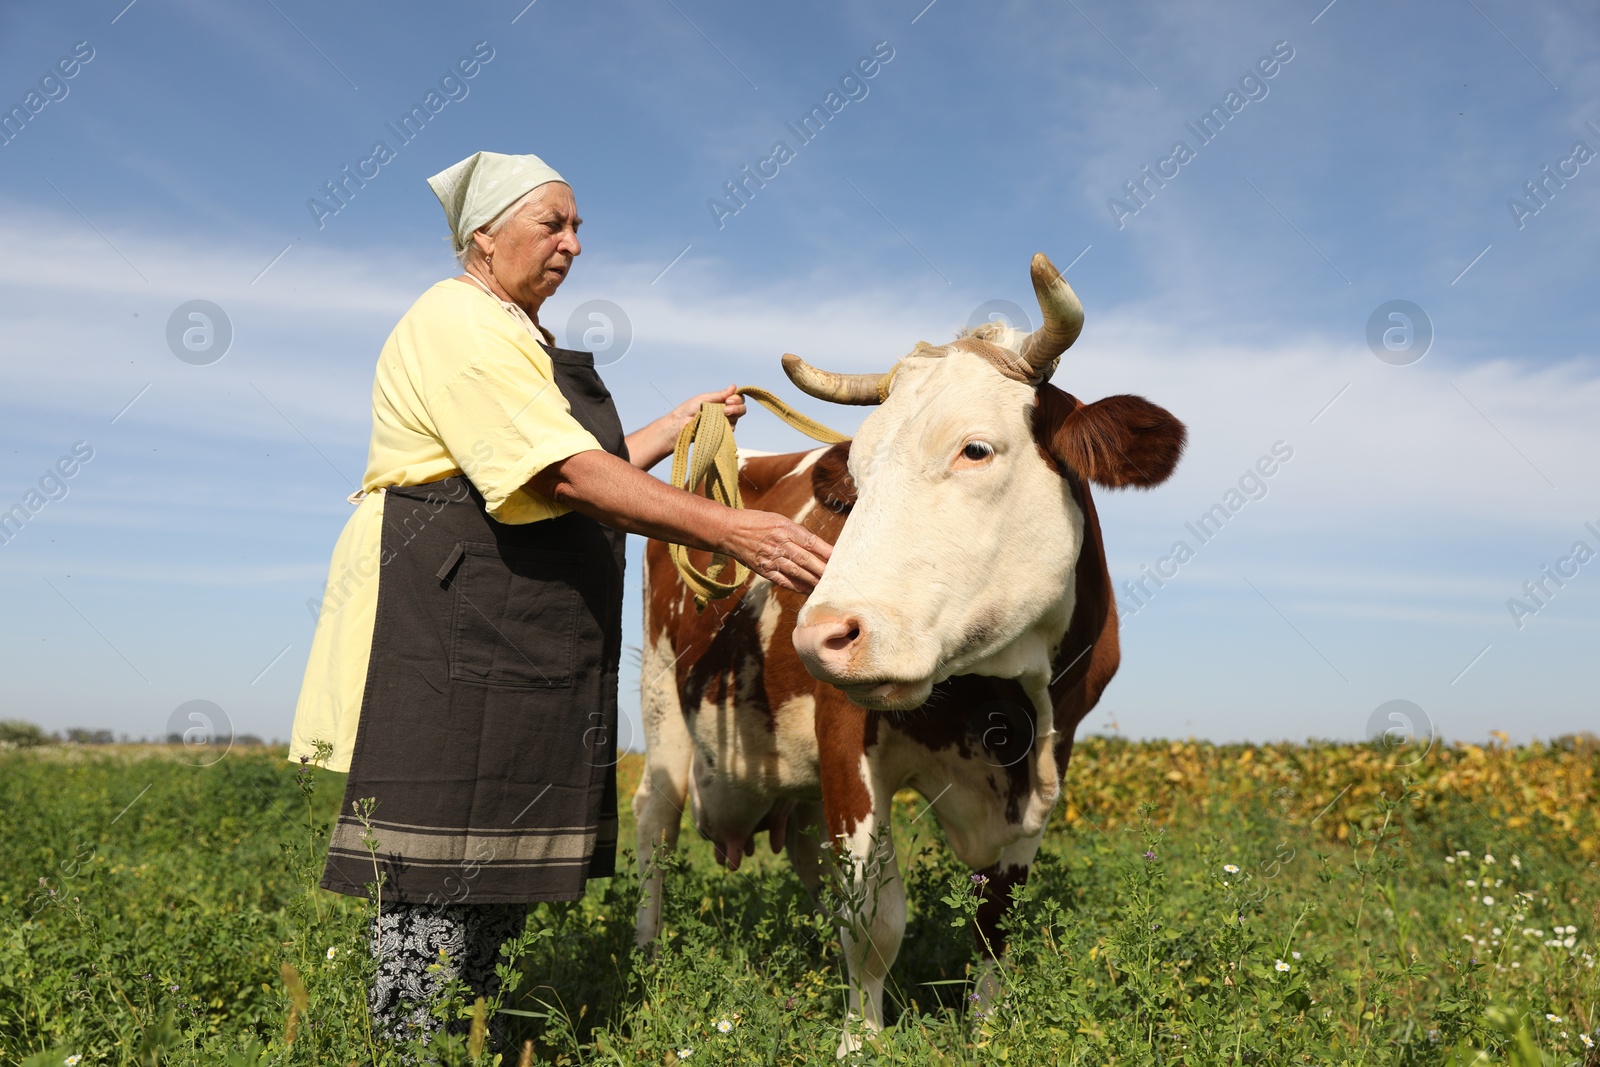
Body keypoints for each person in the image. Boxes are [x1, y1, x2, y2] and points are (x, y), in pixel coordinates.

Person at [286, 150, 830, 1051]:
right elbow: (565, 470)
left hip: (512, 616)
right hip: (453, 607)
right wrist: (735, 532)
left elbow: (581, 454)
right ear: (483, 237)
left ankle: (473, 1033)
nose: (575, 245)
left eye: (578, 227)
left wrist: (680, 422)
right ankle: (409, 1046)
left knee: (494, 847)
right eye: (555, 225)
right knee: (437, 851)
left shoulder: (513, 332)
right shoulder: (455, 321)